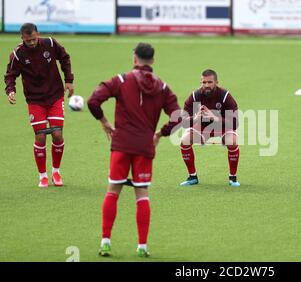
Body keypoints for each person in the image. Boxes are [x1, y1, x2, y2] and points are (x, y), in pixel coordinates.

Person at [87, 43, 181, 257]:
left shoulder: (121, 80)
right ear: (153, 61)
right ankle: (142, 247)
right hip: (144, 146)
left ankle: (105, 241)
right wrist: (160, 134)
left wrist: (103, 121)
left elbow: (93, 101)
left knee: (113, 191)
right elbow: (180, 117)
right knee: (142, 195)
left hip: (121, 144)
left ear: (134, 59)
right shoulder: (163, 87)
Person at [4, 23, 74, 188]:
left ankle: (56, 172)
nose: (32, 43)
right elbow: (10, 75)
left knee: (57, 134)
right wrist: (10, 90)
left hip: (55, 96)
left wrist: (69, 80)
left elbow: (65, 58)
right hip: (35, 100)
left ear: (38, 34)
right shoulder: (18, 54)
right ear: (22, 38)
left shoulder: (50, 43)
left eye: (34, 39)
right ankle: (42, 175)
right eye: (28, 41)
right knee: (40, 136)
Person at [179, 69, 240, 187]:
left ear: (216, 82)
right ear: (201, 82)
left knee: (231, 141)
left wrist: (215, 118)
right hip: (201, 127)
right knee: (185, 140)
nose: (206, 85)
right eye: (204, 82)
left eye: (210, 82)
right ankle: (192, 177)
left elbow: (235, 123)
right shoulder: (195, 96)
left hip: (222, 126)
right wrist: (196, 118)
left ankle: (233, 178)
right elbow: (183, 122)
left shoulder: (224, 96)